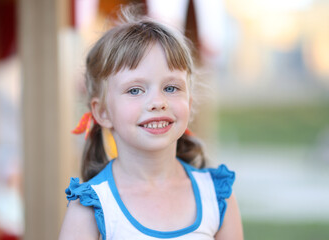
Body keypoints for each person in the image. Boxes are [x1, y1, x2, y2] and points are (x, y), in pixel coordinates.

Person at [59, 6, 243, 240]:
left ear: (189, 101)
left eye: (170, 88)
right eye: (135, 90)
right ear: (102, 112)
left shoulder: (217, 198)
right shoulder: (90, 210)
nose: (158, 102)